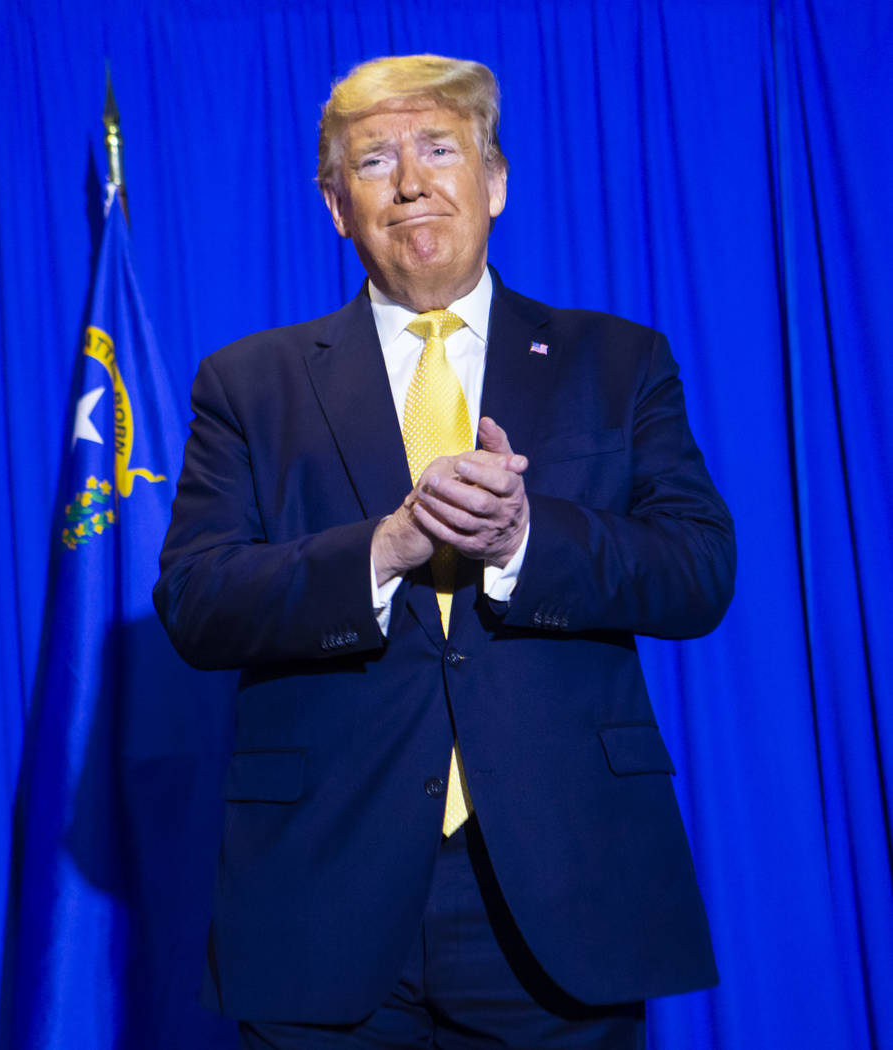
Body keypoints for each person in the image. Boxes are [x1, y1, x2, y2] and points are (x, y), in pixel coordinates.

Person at [155, 54, 735, 1050]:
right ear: (336, 205)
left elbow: (695, 573)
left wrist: (521, 540)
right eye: (373, 160)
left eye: (438, 148)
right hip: (320, 887)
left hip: (561, 887)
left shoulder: (617, 360)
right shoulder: (247, 383)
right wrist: (382, 548)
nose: (411, 181)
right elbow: (198, 603)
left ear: (495, 180)